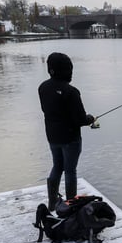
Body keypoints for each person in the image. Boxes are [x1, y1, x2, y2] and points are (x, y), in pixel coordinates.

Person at [38, 52, 95, 210]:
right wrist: (90, 118)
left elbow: (46, 110)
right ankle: (70, 205)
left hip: (52, 136)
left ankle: (52, 202)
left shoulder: (43, 87)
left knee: (57, 166)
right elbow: (80, 119)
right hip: (71, 139)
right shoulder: (71, 92)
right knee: (70, 171)